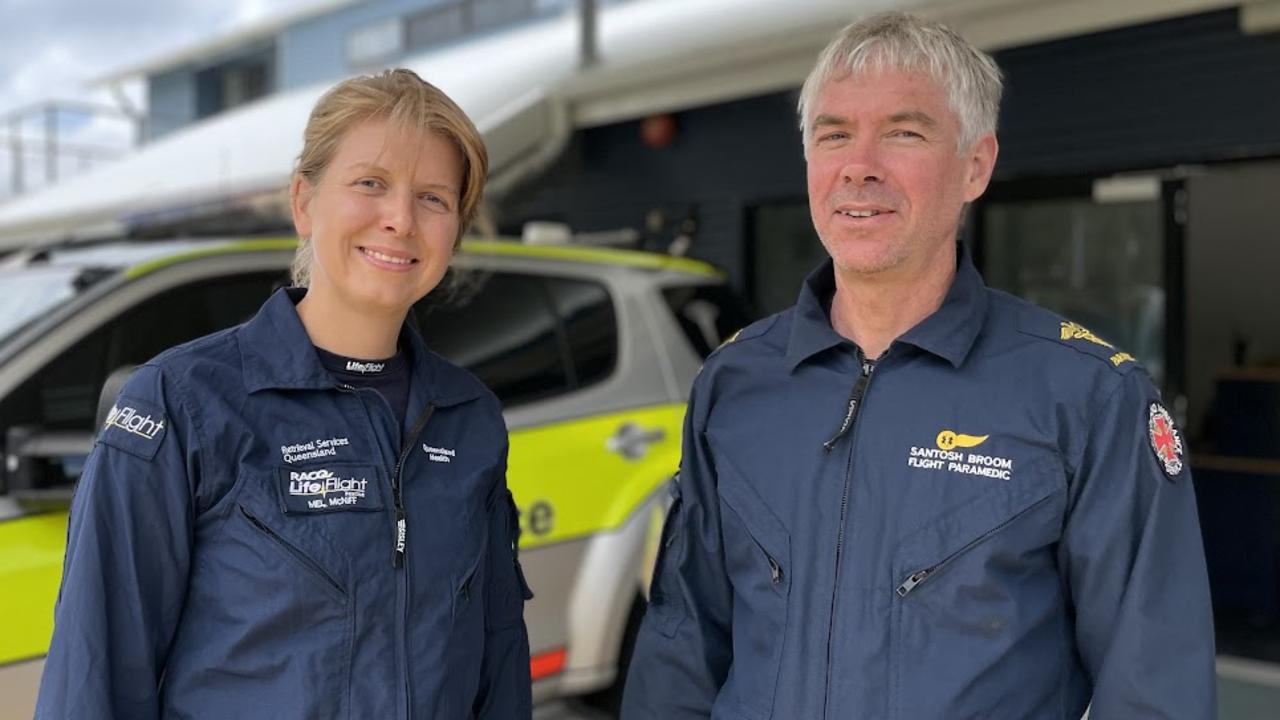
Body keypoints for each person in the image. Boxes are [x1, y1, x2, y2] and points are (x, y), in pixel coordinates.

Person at [622, 12, 1215, 720]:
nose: (859, 163)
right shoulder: (737, 383)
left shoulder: (1088, 395)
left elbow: (1154, 688)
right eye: (833, 133)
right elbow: (682, 650)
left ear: (975, 165)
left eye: (904, 132)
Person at [36, 68, 532, 719]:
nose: (401, 219)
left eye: (434, 198)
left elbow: (497, 659)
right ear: (304, 201)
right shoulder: (183, 404)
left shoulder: (468, 419)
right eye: (370, 184)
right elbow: (93, 678)